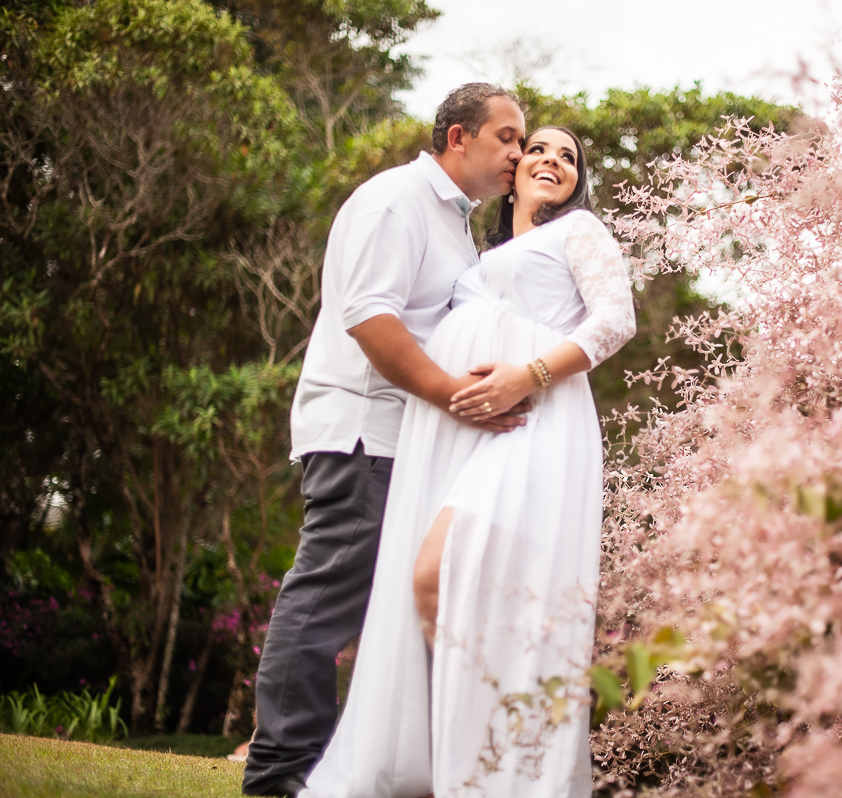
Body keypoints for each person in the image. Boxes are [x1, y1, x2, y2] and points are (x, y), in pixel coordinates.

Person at [299, 126, 635, 798]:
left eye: (568, 157)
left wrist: (527, 375)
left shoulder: (580, 232)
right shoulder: (480, 255)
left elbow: (614, 321)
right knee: (463, 587)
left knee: (435, 572)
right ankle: (463, 759)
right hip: (470, 433)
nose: (551, 160)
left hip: (539, 421)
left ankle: (487, 764)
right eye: (538, 149)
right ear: (511, 170)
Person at [243, 84, 530, 798]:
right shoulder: (396, 200)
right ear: (458, 138)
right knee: (325, 601)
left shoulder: (457, 224)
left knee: (378, 606)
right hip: (360, 433)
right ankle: (279, 774)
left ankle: (351, 766)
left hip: (403, 441)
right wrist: (455, 397)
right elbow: (370, 319)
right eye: (508, 138)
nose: (518, 155)